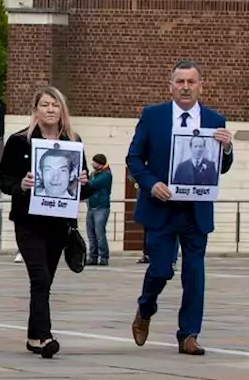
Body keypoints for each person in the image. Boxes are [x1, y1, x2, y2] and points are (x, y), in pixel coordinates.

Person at [129, 61, 234, 356]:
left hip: (195, 211)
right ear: (170, 86)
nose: (185, 87)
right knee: (161, 269)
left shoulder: (215, 119)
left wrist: (226, 149)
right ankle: (145, 307)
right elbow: (134, 159)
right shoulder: (153, 116)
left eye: (191, 82)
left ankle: (189, 334)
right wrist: (151, 184)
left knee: (195, 273)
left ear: (201, 86)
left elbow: (220, 168)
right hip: (161, 208)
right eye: (180, 82)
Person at [0, 86, 91, 359]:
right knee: (39, 278)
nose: (50, 110)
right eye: (45, 105)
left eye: (55, 105)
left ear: (62, 111)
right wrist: (21, 185)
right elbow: (3, 178)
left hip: (59, 222)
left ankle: (33, 336)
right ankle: (45, 335)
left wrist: (85, 183)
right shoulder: (19, 141)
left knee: (45, 281)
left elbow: (81, 191)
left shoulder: (73, 142)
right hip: (29, 222)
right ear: (35, 110)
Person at [86, 154, 112, 266]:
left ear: (100, 163)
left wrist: (85, 182)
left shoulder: (106, 175)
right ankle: (93, 257)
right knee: (91, 234)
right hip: (91, 207)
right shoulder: (93, 174)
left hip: (101, 207)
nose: (93, 164)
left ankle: (104, 257)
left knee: (99, 233)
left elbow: (92, 184)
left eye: (94, 162)